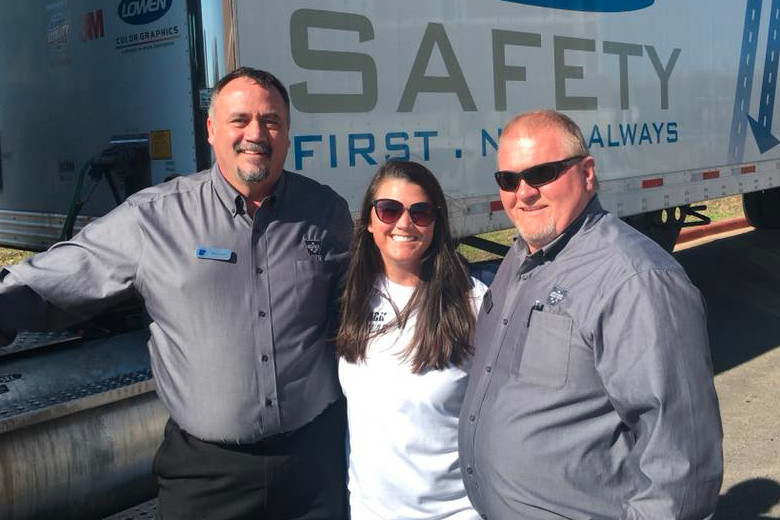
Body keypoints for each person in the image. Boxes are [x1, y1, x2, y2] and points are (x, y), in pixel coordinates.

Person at [0, 67, 352, 519]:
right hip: (206, 477)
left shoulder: (326, 211)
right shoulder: (154, 219)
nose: (256, 134)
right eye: (239, 120)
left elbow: (367, 303)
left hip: (314, 465)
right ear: (211, 130)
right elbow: (50, 281)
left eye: (271, 121)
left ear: (286, 133)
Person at [458, 110, 723, 520]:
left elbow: (681, 470)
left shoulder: (636, 279)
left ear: (586, 173)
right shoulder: (520, 256)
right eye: (508, 180)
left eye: (542, 173)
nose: (524, 192)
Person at [337, 161, 487, 520]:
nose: (404, 223)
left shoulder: (474, 304)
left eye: (420, 213)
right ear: (369, 221)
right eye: (389, 210)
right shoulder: (349, 298)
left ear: (437, 224)